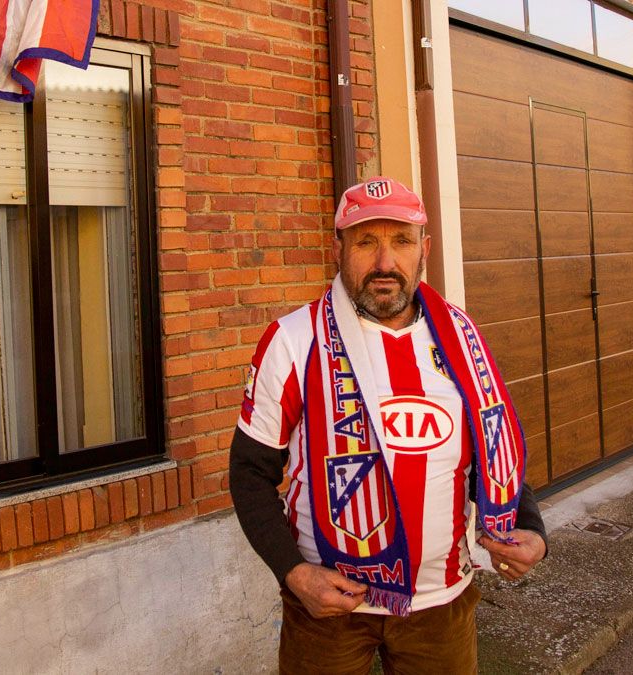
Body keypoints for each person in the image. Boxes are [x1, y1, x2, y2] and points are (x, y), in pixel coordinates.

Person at [229, 177, 547, 673]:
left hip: (441, 605)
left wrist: (528, 524)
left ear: (425, 247)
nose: (384, 262)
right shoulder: (292, 341)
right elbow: (250, 471)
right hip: (331, 607)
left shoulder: (461, 336)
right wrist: (293, 573)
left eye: (400, 240)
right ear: (337, 248)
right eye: (365, 241)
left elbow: (493, 446)